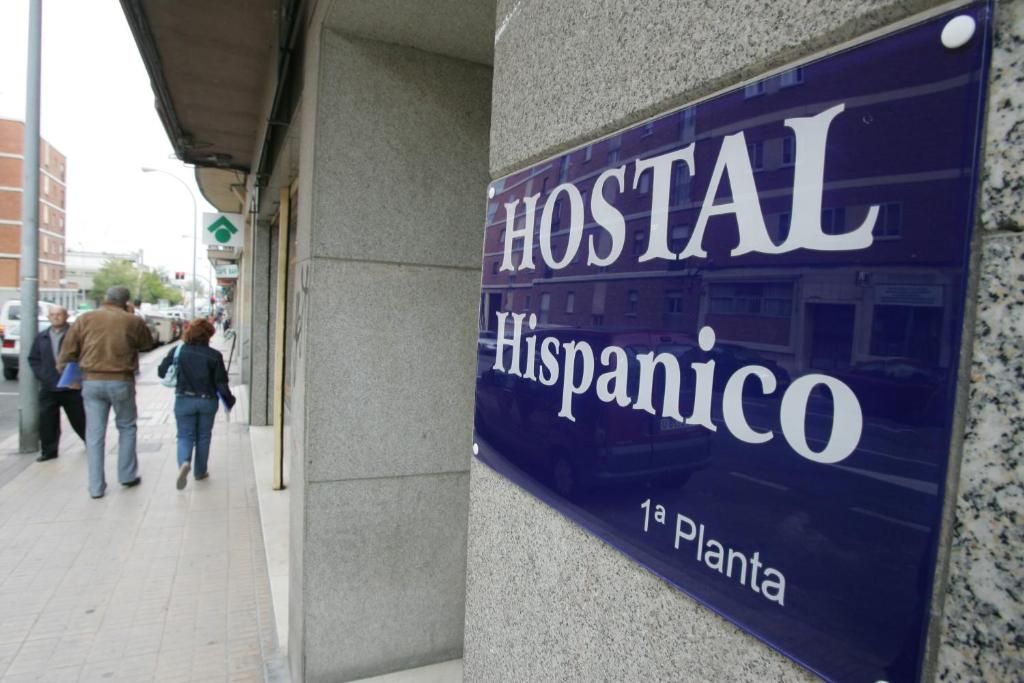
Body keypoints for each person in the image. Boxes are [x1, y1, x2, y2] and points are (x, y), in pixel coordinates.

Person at [59, 286, 154, 499]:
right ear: (126, 302)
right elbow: (147, 343)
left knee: (94, 434)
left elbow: (68, 350)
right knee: (127, 427)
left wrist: (68, 375)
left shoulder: (85, 319)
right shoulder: (132, 320)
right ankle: (127, 475)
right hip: (121, 381)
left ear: (105, 298)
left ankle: (96, 487)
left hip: (91, 381)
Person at [158, 318, 235, 490]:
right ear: (208, 336)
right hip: (208, 401)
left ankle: (184, 462)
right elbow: (221, 384)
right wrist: (230, 401)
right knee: (204, 436)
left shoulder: (178, 351)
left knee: (184, 436)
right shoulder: (214, 355)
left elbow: (161, 372)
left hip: (184, 400)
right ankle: (200, 472)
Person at [27, 306, 86, 462]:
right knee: (47, 421)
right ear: (48, 317)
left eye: (59, 314)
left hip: (71, 386)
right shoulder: (42, 337)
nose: (55, 317)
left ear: (66, 316)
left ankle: (90, 442)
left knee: (79, 418)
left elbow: (85, 356)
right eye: (52, 315)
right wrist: (42, 375)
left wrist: (79, 378)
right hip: (49, 386)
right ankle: (49, 451)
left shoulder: (75, 334)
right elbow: (34, 359)